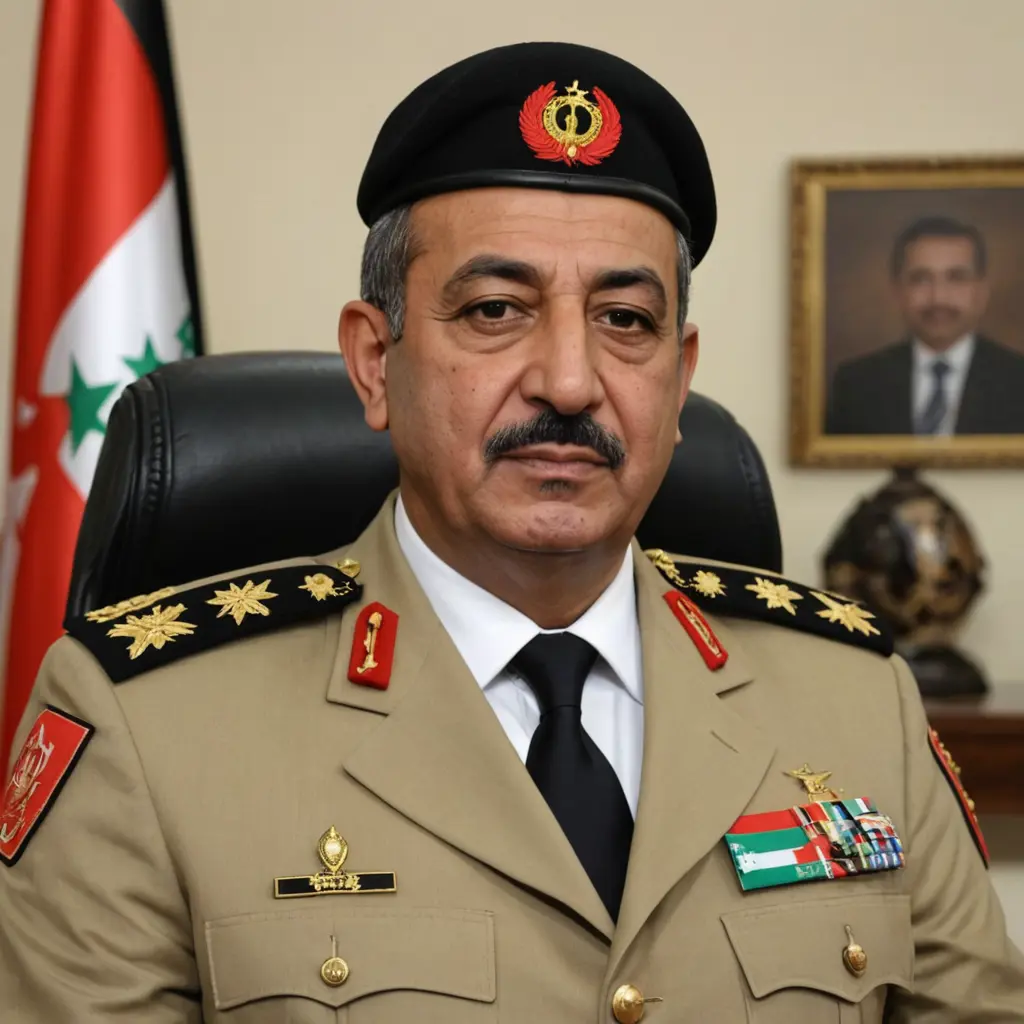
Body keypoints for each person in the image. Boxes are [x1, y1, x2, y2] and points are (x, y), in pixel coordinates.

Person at [2, 42, 1023, 1023]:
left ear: (679, 380)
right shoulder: (145, 726)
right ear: (374, 362)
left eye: (626, 320)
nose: (570, 382)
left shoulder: (856, 701)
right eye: (496, 310)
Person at [826, 215, 1024, 435]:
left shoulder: (1018, 380)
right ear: (898, 292)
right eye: (920, 279)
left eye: (956, 278)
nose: (938, 298)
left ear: (982, 292)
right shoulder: (855, 384)